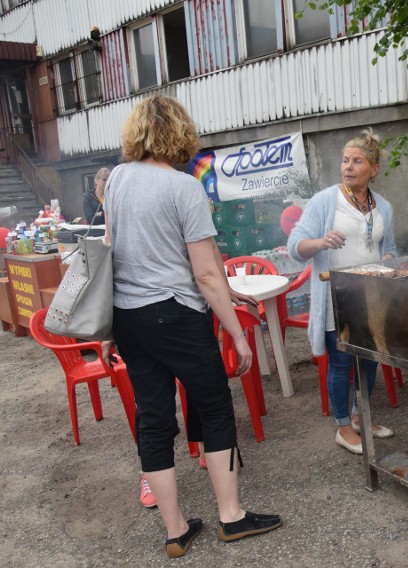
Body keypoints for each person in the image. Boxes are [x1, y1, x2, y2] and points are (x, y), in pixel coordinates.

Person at [104, 95, 281, 558]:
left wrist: (107, 327)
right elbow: (202, 273)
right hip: (176, 314)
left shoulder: (118, 179)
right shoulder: (184, 189)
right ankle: (231, 516)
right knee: (216, 407)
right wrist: (240, 335)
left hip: (129, 316)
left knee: (154, 417)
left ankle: (176, 529)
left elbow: (110, 251)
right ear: (180, 133)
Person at [288, 129, 398, 455]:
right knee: (341, 363)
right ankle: (342, 426)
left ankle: (361, 416)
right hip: (336, 296)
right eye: (345, 160)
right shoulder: (326, 200)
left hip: (372, 297)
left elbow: (388, 248)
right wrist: (321, 242)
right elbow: (296, 246)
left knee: (370, 361)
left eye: (357, 161)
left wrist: (389, 259)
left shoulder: (385, 208)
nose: (348, 166)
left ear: (374, 169)